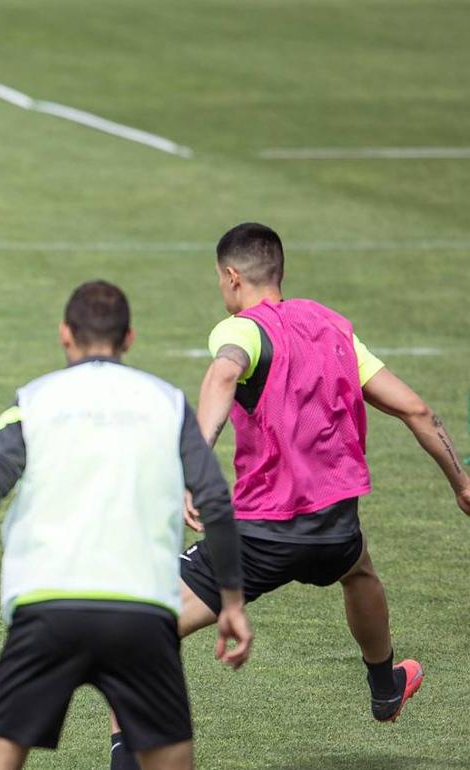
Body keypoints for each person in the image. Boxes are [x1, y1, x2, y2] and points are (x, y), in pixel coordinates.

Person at [110, 222, 470, 769]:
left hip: (261, 535)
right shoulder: (335, 330)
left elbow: (221, 377)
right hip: (335, 531)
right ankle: (384, 683)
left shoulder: (244, 331)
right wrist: (461, 481)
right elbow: (415, 409)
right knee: (360, 571)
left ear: (232, 277)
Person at [0, 281, 251, 770]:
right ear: (129, 338)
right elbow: (214, 500)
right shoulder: (168, 405)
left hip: (46, 611)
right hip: (142, 614)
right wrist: (231, 602)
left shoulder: (30, 403)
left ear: (66, 335)